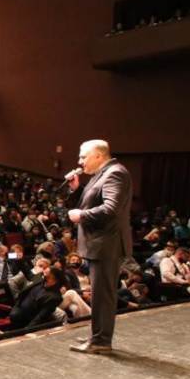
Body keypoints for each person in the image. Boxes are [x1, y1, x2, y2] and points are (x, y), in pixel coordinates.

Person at [66, 140, 132, 354]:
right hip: (102, 244)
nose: (80, 161)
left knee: (103, 296)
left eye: (83, 156)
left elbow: (111, 209)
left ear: (98, 156)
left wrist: (81, 216)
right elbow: (94, 200)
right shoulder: (103, 174)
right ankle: (98, 336)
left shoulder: (115, 173)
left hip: (106, 244)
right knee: (100, 294)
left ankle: (101, 341)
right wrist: (77, 189)